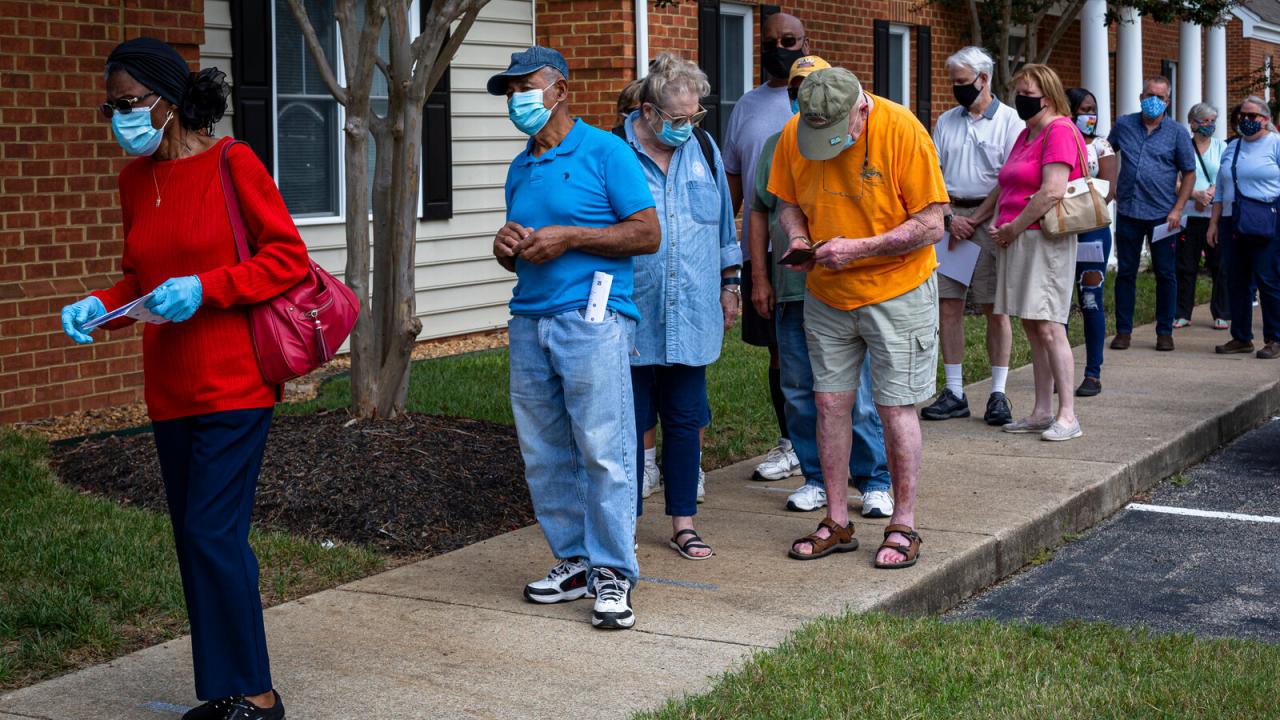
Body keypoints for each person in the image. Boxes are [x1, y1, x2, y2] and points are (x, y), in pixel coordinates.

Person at [59, 37, 309, 720]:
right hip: (169, 388)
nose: (120, 120)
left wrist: (207, 288)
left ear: (169, 101)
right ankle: (230, 690)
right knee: (196, 538)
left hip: (234, 383)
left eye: (130, 105)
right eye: (110, 109)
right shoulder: (134, 181)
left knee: (212, 533)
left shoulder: (234, 163)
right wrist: (99, 308)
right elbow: (141, 280)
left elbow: (286, 259)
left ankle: (258, 696)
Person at [489, 46, 660, 629]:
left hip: (594, 319)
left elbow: (646, 233)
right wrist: (506, 247)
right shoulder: (521, 165)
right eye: (509, 91)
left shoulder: (606, 150)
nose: (517, 99)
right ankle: (576, 558)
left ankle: (614, 571)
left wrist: (570, 237)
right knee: (544, 452)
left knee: (603, 447)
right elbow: (527, 250)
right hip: (529, 319)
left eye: (525, 86)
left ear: (560, 89)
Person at [770, 67, 948, 568]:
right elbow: (787, 203)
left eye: (835, 133)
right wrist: (800, 239)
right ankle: (836, 520)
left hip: (898, 288)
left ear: (861, 109)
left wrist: (861, 249)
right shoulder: (794, 131)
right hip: (827, 292)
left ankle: (903, 525)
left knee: (895, 407)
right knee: (828, 404)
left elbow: (933, 223)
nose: (823, 143)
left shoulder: (902, 128)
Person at [749, 54, 894, 517]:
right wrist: (759, 278)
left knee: (860, 397)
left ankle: (873, 480)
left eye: (813, 86)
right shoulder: (779, 143)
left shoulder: (866, 137)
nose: (804, 97)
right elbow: (762, 208)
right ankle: (814, 477)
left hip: (849, 286)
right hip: (793, 287)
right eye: (796, 89)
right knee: (799, 388)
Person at [620, 52, 741, 559]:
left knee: (686, 420)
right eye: (676, 119)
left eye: (696, 116)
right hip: (633, 312)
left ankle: (683, 524)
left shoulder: (705, 147)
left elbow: (722, 227)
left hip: (692, 310)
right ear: (648, 111)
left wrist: (731, 283)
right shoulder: (614, 152)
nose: (687, 126)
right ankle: (621, 526)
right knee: (628, 424)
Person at [722, 12, 812, 483]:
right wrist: (726, 253)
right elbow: (735, 191)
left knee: (836, 350)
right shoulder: (747, 106)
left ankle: (850, 444)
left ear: (806, 42)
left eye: (789, 40)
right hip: (765, 251)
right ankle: (792, 442)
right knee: (782, 352)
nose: (780, 47)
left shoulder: (827, 93)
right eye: (771, 41)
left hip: (823, 251)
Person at [921, 46, 1023, 425]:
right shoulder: (946, 122)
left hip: (992, 218)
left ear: (984, 78)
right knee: (949, 305)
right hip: (950, 218)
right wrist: (950, 218)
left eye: (963, 82)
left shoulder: (1011, 122)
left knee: (996, 308)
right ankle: (955, 391)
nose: (957, 89)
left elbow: (1007, 178)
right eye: (954, 83)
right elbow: (932, 173)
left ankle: (998, 393)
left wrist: (975, 220)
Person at [989, 64, 1085, 441]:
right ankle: (1043, 410)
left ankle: (1068, 414)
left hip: (1042, 237)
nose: (1020, 98)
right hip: (1019, 237)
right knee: (1032, 323)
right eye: (1018, 90)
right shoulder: (1029, 132)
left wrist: (1012, 227)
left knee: (1049, 325)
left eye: (1027, 92)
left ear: (1047, 95)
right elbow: (1007, 183)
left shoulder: (1059, 130)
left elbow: (1052, 191)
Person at [1107, 75, 1196, 352]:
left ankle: (1164, 331)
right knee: (1126, 273)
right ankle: (1123, 331)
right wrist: (1109, 189)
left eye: (1160, 97)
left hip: (1162, 215)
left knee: (1166, 274)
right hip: (1130, 211)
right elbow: (1107, 156)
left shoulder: (1177, 132)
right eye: (1150, 95)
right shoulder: (1123, 125)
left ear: (1168, 101)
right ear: (1141, 97)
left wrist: (1178, 209)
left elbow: (1189, 173)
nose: (1154, 101)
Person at [1208, 95, 1280, 359]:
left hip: (1266, 219)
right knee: (1237, 281)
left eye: (1253, 116)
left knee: (1268, 279)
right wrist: (1214, 223)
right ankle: (1241, 337)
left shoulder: (1275, 144)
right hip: (1231, 221)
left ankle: (1275, 338)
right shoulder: (1233, 147)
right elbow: (1220, 188)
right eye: (1243, 116)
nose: (1247, 120)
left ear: (1266, 119)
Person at [1066, 87, 1118, 397]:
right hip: (1060, 233)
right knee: (1058, 306)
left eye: (1093, 109)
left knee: (1090, 300)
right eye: (1084, 108)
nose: (1091, 115)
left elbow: (1109, 190)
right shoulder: (1054, 139)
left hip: (1092, 231)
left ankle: (1092, 373)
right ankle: (1059, 371)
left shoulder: (1101, 145)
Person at [1176, 102, 1230, 331]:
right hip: (1189, 216)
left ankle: (1221, 313)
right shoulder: (1183, 147)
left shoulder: (1222, 147)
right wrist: (1194, 194)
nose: (1210, 125)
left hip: (1215, 216)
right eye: (1205, 120)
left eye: (1212, 121)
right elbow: (1174, 181)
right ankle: (1182, 313)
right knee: (1186, 266)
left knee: (1219, 265)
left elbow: (1228, 175)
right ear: (1193, 123)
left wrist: (1211, 192)